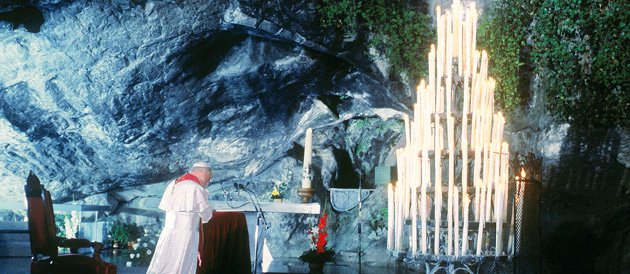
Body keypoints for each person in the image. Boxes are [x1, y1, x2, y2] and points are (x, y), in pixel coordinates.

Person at [147, 162, 215, 274]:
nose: (210, 179)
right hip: (186, 235)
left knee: (164, 263)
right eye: (210, 176)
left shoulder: (173, 184)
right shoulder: (195, 188)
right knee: (181, 265)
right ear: (204, 172)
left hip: (168, 232)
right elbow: (206, 214)